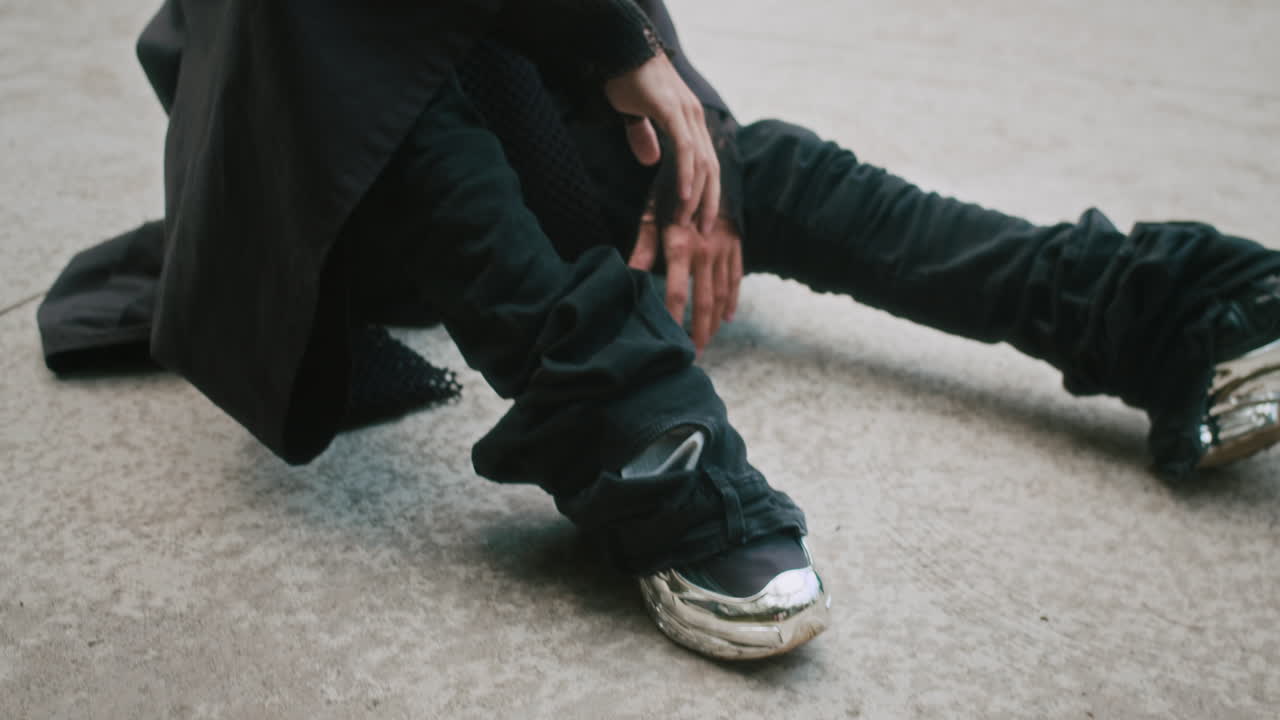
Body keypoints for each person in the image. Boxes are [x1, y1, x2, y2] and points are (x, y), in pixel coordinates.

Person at [37, 0, 1280, 662]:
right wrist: (611, 38)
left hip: (510, 71)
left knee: (748, 175)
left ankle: (1160, 310)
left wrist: (682, 121)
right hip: (333, 148)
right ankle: (637, 438)